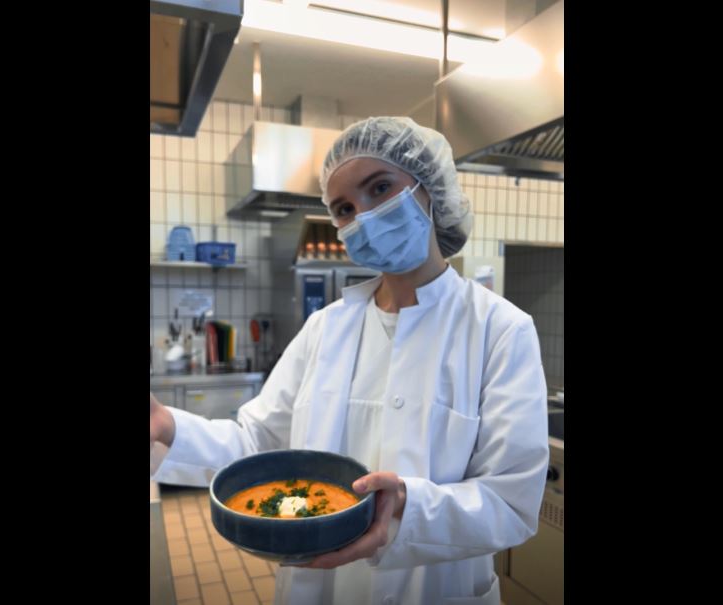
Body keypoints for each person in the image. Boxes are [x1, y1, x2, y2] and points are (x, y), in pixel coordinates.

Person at [150, 116, 549, 605]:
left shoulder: (499, 330)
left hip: (437, 591)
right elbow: (259, 445)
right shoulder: (327, 327)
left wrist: (407, 510)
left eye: (380, 188)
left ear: (430, 190)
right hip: (317, 588)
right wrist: (167, 426)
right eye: (344, 208)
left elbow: (512, 502)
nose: (364, 217)